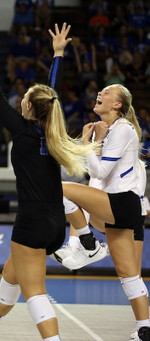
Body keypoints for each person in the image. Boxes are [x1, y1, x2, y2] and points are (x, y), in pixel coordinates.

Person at [0, 23, 94, 341]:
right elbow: (52, 93)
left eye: (25, 99)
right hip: (54, 222)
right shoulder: (53, 131)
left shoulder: (22, 130)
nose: (20, 100)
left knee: (35, 293)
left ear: (29, 107)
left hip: (32, 221)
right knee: (11, 273)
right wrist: (58, 53)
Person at [61, 82, 150, 340]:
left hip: (122, 204)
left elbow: (99, 173)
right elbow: (98, 176)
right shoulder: (114, 133)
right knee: (128, 275)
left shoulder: (123, 129)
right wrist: (96, 142)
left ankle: (85, 244)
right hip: (123, 209)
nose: (100, 93)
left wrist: (89, 142)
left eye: (107, 92)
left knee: (60, 189)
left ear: (118, 105)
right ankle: (144, 329)